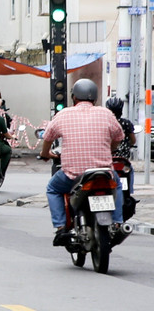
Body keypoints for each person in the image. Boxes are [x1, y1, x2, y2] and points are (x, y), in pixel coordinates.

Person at [39, 79, 125, 246]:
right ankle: (117, 222)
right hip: (103, 172)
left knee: (53, 189)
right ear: (94, 98)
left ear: (74, 97)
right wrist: (111, 149)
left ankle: (60, 227)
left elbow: (47, 138)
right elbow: (119, 138)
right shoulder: (106, 113)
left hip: (74, 175)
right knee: (118, 184)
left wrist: (45, 154)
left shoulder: (63, 114)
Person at [106, 97, 136, 192]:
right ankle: (130, 191)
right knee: (130, 171)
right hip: (123, 160)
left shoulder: (106, 122)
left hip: (108, 159)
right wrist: (129, 144)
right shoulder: (126, 123)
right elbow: (133, 140)